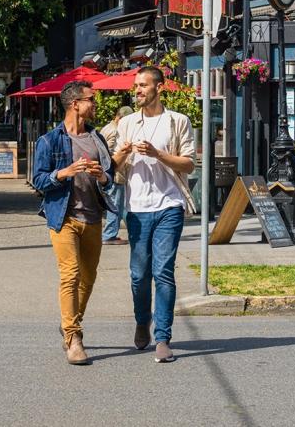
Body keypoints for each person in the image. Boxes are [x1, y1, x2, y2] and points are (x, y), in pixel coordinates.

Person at [113, 66, 195, 363]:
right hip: (136, 208)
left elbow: (189, 165)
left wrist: (157, 154)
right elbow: (115, 167)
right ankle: (140, 320)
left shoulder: (177, 122)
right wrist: (123, 154)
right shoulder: (128, 124)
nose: (137, 90)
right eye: (136, 85)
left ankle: (163, 337)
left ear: (159, 88)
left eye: (143, 85)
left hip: (169, 205)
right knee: (139, 275)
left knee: (163, 272)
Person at [33, 80, 117, 365]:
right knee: (70, 275)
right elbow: (38, 180)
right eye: (91, 99)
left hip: (93, 216)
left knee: (89, 278)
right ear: (75, 104)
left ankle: (69, 322)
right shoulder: (49, 140)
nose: (95, 103)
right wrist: (65, 172)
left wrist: (101, 176)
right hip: (63, 216)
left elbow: (110, 176)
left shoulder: (97, 139)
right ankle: (73, 338)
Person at [100, 105, 134, 245]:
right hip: (115, 174)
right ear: (120, 118)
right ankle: (109, 235)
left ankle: (132, 231)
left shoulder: (108, 128)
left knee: (120, 206)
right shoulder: (115, 131)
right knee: (115, 206)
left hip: (113, 174)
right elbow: (107, 153)